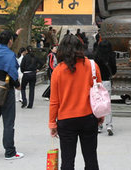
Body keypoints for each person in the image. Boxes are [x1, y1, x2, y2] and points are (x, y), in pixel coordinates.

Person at [49, 34, 102, 170]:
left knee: (67, 161)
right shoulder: (92, 66)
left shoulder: (58, 71)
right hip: (89, 117)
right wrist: (101, 115)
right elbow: (99, 94)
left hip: (66, 120)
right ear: (80, 48)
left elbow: (54, 100)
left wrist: (52, 122)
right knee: (91, 158)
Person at [0, 30, 24, 160]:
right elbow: (12, 72)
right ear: (10, 41)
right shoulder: (10, 55)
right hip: (6, 90)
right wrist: (18, 85)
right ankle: (9, 151)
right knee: (8, 122)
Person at [94, 40, 117, 135]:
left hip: (97, 82)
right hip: (107, 81)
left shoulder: (96, 56)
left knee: (98, 103)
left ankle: (99, 125)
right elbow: (114, 70)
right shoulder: (111, 56)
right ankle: (109, 125)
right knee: (107, 103)